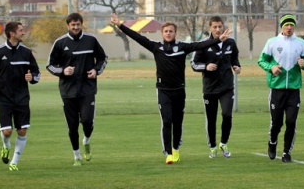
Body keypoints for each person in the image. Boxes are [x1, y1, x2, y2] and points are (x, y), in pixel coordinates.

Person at [110, 13, 232, 164]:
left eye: (171, 31)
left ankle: (175, 148)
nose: (168, 33)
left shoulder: (182, 47)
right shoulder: (156, 47)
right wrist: (120, 25)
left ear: (175, 33)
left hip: (179, 91)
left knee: (177, 122)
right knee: (167, 121)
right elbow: (137, 37)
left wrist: (217, 40)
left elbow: (200, 45)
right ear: (162, 33)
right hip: (163, 91)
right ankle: (168, 153)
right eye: (166, 31)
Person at [46, 12, 108, 166]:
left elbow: (103, 58)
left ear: (81, 24)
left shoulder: (91, 40)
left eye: (78, 24)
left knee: (87, 121)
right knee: (72, 126)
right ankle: (77, 156)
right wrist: (63, 71)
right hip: (68, 91)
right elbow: (50, 65)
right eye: (72, 25)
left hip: (87, 89)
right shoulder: (60, 43)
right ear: (68, 25)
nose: (75, 27)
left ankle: (86, 141)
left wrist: (96, 70)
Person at [0, 22, 41, 171]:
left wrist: (31, 78)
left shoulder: (27, 52)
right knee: (7, 131)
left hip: (22, 97)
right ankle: (6, 146)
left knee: (22, 131)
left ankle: (14, 162)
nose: (24, 33)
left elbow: (36, 73)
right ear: (12, 34)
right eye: (21, 30)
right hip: (3, 98)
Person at [258, 14, 304, 163]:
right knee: (277, 123)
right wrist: (271, 68)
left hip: (294, 90)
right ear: (282, 26)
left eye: (291, 25)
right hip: (276, 89)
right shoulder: (272, 42)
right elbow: (261, 60)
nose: (289, 27)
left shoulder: (301, 43)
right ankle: (272, 143)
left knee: (291, 121)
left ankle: (286, 152)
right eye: (286, 25)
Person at [191, 16, 241, 159]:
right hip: (210, 88)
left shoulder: (231, 43)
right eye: (215, 27)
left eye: (220, 26)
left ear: (223, 27)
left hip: (226, 87)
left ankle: (223, 143)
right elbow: (194, 64)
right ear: (210, 28)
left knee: (227, 114)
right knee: (211, 119)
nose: (218, 29)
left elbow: (235, 59)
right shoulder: (204, 44)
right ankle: (212, 147)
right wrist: (205, 67)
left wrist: (237, 67)